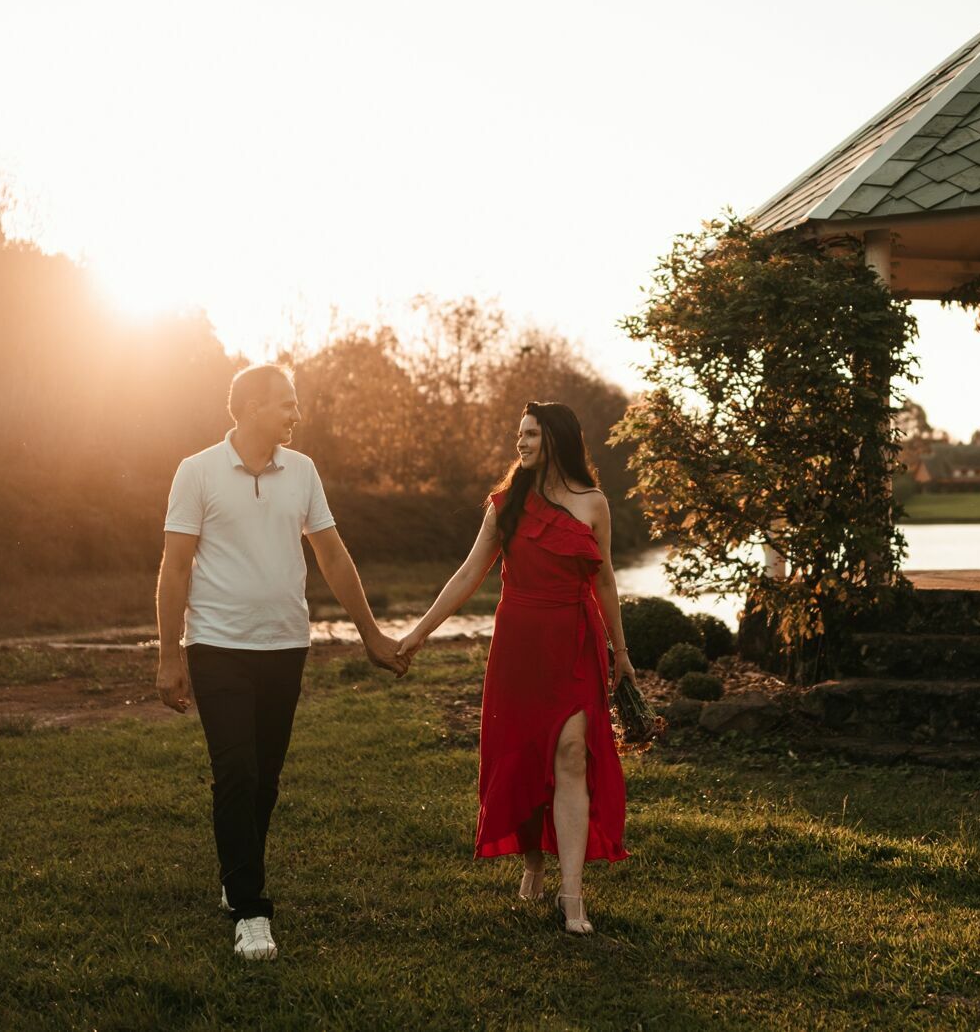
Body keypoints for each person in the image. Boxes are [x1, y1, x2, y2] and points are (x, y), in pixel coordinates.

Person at [154, 363, 406, 962]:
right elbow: (175, 567)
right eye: (286, 404)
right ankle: (249, 909)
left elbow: (332, 555)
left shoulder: (304, 472)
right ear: (248, 408)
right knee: (236, 771)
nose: (297, 413)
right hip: (216, 645)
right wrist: (169, 655)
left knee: (264, 778)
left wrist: (370, 634)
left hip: (285, 645)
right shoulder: (197, 472)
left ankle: (237, 873)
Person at [397, 401, 634, 934]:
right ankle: (533, 860)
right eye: (518, 435)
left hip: (574, 641)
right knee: (526, 754)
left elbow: (606, 582)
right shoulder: (504, 505)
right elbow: (466, 575)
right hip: (519, 645)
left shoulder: (594, 504)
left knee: (571, 754)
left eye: (530, 434)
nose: (520, 443)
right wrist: (416, 633)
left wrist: (622, 651)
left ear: (556, 438)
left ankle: (572, 897)